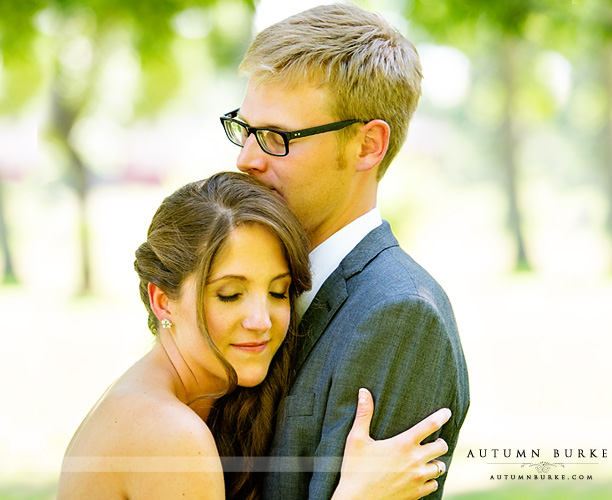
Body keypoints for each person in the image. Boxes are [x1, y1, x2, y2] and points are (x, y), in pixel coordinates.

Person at [56, 172, 451, 500]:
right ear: (163, 301)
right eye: (230, 294)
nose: (261, 320)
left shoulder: (159, 400)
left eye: (278, 292)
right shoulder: (169, 434)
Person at [219, 4, 470, 499]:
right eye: (244, 130)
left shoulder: (399, 315)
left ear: (367, 146)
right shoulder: (257, 285)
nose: (246, 159)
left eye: (276, 138)